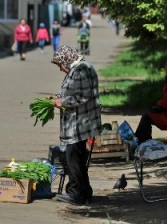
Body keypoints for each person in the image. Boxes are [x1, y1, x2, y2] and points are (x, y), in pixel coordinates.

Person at [49, 45, 101, 205]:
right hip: (79, 122)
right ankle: (84, 191)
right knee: (77, 156)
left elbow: (83, 95)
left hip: (81, 123)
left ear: (66, 59)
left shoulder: (81, 69)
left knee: (73, 157)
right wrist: (58, 97)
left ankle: (76, 194)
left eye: (59, 65)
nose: (60, 69)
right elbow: (75, 91)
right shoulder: (79, 68)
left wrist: (61, 102)